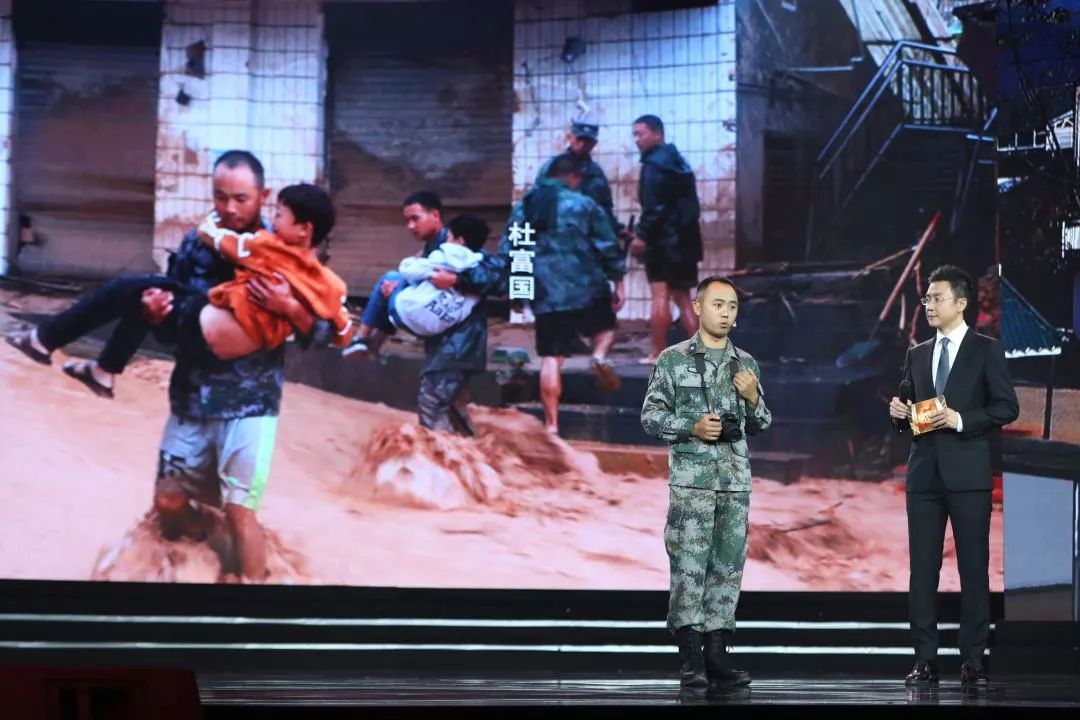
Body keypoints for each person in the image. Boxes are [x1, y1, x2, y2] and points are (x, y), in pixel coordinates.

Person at [6, 184, 353, 396]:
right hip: (210, 321)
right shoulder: (327, 282)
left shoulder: (267, 248)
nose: (272, 221)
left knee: (129, 287)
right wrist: (295, 308)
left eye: (279, 215)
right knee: (145, 295)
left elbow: (215, 239)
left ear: (304, 230)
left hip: (204, 331)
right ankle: (104, 372)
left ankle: (43, 339)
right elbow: (341, 332)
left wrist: (288, 306)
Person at [889, 265, 1019, 687]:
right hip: (924, 476)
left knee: (974, 570)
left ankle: (972, 659)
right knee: (922, 570)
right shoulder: (917, 353)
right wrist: (898, 414)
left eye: (936, 298)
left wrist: (961, 418)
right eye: (926, 298)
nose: (928, 305)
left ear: (961, 303)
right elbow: (909, 412)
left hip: (968, 475)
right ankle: (924, 659)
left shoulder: (987, 350)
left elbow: (1006, 407)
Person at [640, 275, 771, 690]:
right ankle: (690, 660)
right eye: (718, 305)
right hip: (692, 483)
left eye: (732, 306)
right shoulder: (673, 360)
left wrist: (753, 398)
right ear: (697, 308)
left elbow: (763, 423)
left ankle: (717, 658)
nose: (726, 313)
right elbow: (650, 417)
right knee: (689, 570)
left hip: (734, 483)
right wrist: (692, 426)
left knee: (727, 570)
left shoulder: (746, 364)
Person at [501, 153, 626, 434]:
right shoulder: (585, 204)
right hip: (587, 287)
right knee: (605, 329)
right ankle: (599, 356)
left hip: (546, 293)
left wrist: (518, 293)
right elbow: (607, 245)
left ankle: (552, 426)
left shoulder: (525, 207)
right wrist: (618, 281)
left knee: (551, 357)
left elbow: (513, 251)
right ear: (572, 177)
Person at [397, 192, 507, 436]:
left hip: (458, 346)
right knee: (452, 410)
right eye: (407, 221)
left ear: (435, 215)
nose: (410, 226)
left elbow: (500, 277)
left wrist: (457, 279)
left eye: (415, 218)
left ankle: (444, 463)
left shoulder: (459, 248)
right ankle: (474, 463)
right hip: (449, 346)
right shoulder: (433, 250)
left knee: (433, 405)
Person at [630, 114, 703, 364]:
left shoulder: (654, 166)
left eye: (640, 134)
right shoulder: (679, 162)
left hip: (663, 241)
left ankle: (657, 352)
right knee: (683, 298)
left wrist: (641, 234)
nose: (636, 140)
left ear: (657, 134)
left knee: (660, 295)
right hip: (687, 240)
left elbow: (654, 207)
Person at [535, 115, 619, 236]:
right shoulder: (553, 166)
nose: (582, 145)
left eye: (587, 141)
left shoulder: (596, 172)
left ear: (594, 143)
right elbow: (537, 199)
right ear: (570, 138)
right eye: (579, 139)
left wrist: (615, 229)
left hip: (588, 236)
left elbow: (605, 207)